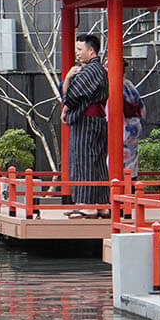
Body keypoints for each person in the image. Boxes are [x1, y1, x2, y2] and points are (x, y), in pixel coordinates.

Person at [61, 33, 109, 217]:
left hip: (87, 121)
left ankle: (88, 205)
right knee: (97, 162)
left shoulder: (91, 70)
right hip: (96, 119)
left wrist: (67, 79)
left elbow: (71, 96)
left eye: (80, 50)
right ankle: (102, 203)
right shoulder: (97, 70)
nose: (77, 53)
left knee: (85, 160)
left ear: (91, 50)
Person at [123, 63, 145, 179]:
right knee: (131, 164)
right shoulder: (129, 85)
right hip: (133, 126)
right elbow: (142, 109)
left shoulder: (116, 86)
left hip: (122, 126)